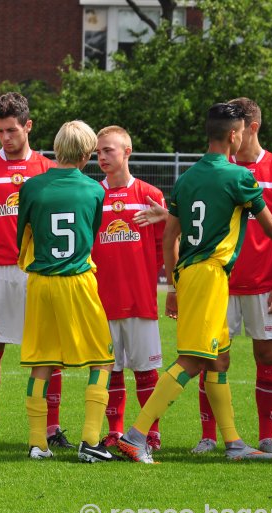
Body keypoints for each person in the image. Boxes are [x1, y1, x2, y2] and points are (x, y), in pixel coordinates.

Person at [116, 102, 272, 464]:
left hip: (192, 275)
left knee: (217, 360)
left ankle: (234, 444)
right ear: (235, 135)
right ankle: (134, 436)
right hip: (209, 275)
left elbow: (170, 234)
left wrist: (173, 284)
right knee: (191, 360)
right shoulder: (238, 177)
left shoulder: (187, 178)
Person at [0, 92, 72, 448]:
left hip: (37, 273)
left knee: (47, 353)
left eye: (11, 130)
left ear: (28, 126)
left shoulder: (49, 170)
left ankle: (52, 430)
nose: (5, 138)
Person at [191, 98, 272, 458]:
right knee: (213, 359)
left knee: (267, 355)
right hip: (220, 281)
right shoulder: (220, 168)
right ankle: (210, 436)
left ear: (250, 127)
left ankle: (266, 436)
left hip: (264, 283)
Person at [16, 120, 116, 462]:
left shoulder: (31, 187)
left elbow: (23, 237)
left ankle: (36, 444)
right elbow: (91, 232)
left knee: (41, 362)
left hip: (40, 282)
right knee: (102, 360)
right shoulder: (95, 190)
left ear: (57, 147)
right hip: (77, 280)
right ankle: (90, 440)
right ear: (87, 153)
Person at [90, 126, 166, 452]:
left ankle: (150, 431)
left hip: (140, 298)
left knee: (146, 370)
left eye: (108, 150)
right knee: (112, 370)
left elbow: (164, 246)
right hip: (101, 299)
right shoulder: (92, 194)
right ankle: (115, 431)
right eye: (97, 152)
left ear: (127, 151)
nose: (102, 157)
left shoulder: (150, 194)